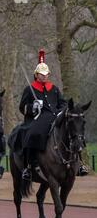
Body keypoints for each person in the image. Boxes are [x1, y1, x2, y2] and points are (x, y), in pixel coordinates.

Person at [19, 49, 70, 181]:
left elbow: (63, 103)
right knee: (33, 133)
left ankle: (79, 163)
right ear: (36, 75)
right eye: (42, 74)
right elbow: (22, 107)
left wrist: (61, 111)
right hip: (38, 118)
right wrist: (33, 107)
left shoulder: (54, 89)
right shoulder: (29, 89)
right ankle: (29, 166)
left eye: (46, 74)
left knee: (72, 131)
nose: (44, 76)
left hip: (54, 116)